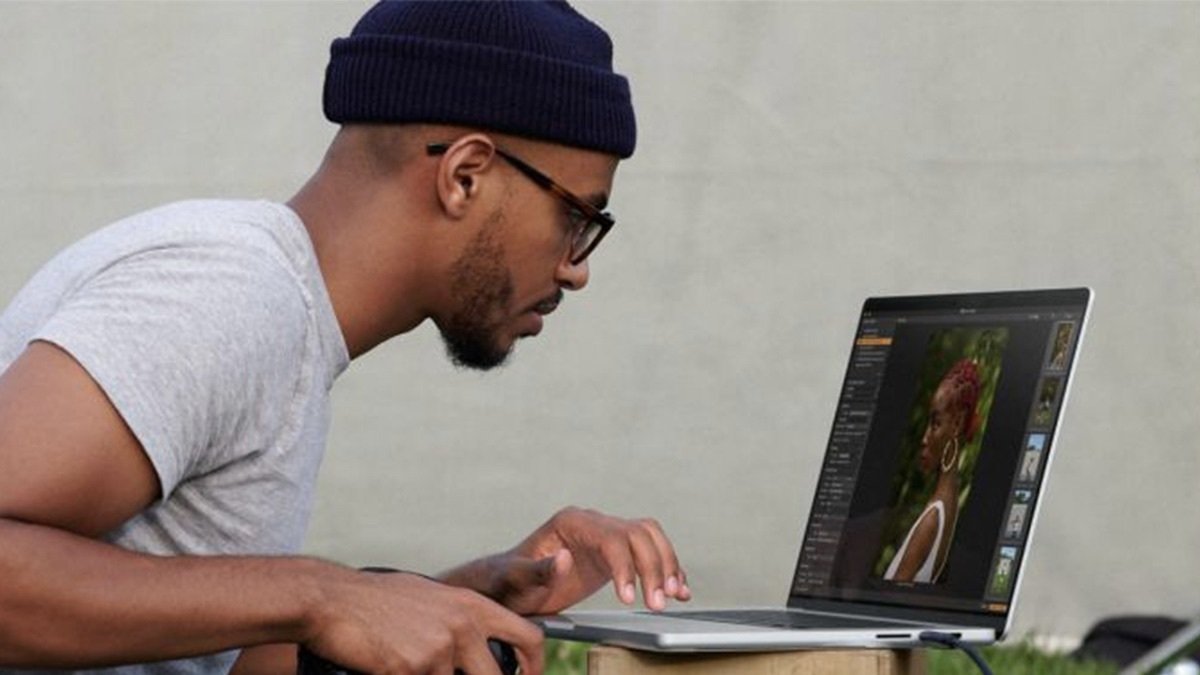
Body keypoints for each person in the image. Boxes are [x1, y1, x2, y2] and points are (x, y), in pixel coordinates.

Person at [0, 2, 691, 674]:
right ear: (464, 175)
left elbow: (198, 655)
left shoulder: (284, 324)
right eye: (578, 217)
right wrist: (324, 593)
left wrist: (456, 602)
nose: (577, 269)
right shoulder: (230, 296)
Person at [882, 359, 982, 584]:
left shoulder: (933, 518)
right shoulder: (949, 506)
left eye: (935, 424)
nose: (924, 438)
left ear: (956, 425)